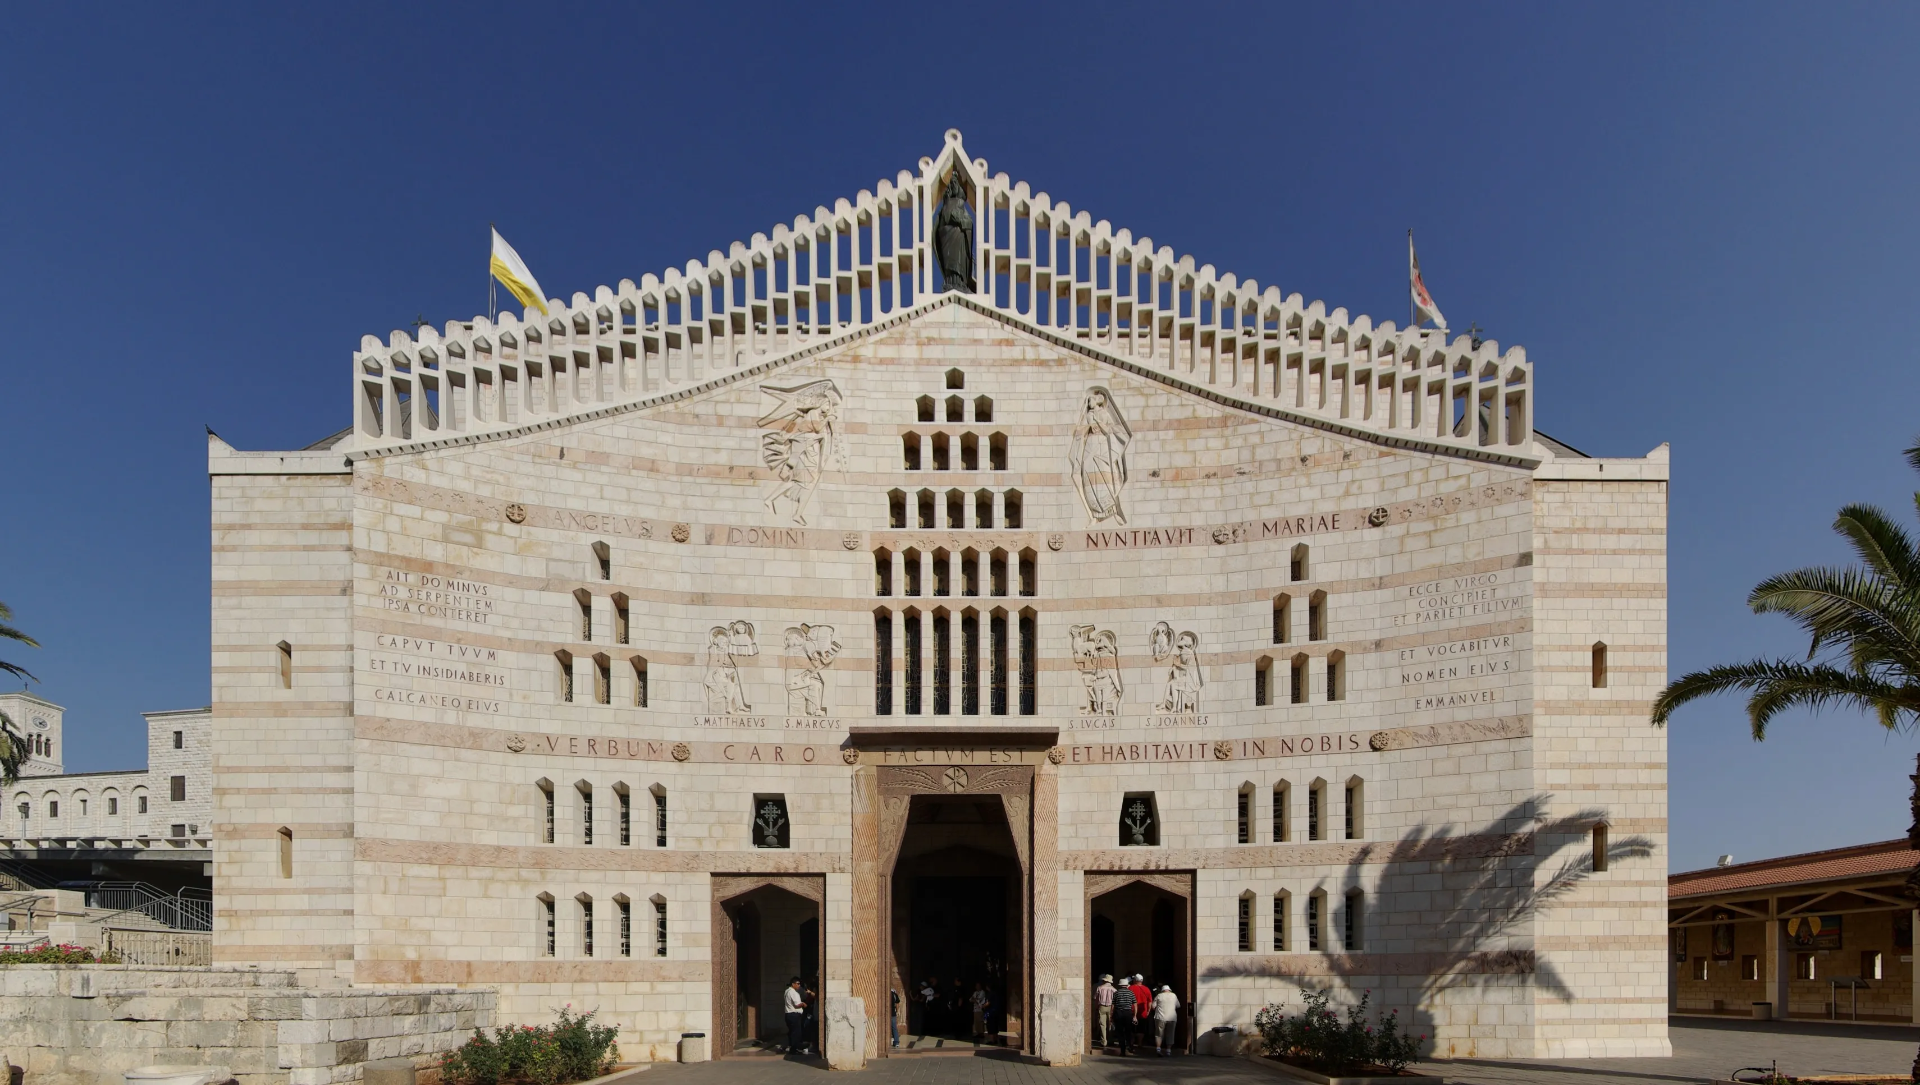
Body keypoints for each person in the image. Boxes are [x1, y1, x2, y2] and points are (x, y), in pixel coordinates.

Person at [1110, 974, 1137, 1055]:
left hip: (1118, 1013)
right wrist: (1135, 1015)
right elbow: (1135, 1005)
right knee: (1128, 1031)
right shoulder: (1131, 993)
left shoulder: (1116, 993)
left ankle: (1122, 1050)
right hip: (1128, 1013)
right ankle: (1129, 1046)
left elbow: (1113, 1005)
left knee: (1120, 1032)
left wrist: (1111, 1016)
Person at [1151, 985, 1181, 1056]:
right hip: (1172, 1018)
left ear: (1162, 990)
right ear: (1169, 990)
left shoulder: (1159, 995)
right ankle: (1168, 1050)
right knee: (1170, 1034)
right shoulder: (1174, 995)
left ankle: (1158, 1049)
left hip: (1160, 1017)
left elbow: (1153, 1006)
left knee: (1159, 1034)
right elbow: (1178, 1006)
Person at [782, 976, 807, 1055]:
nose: (799, 985)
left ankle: (792, 1047)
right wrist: (803, 1004)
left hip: (788, 1014)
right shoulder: (793, 992)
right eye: (798, 984)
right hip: (794, 1014)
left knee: (792, 1032)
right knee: (796, 1032)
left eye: (800, 984)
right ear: (793, 984)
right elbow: (797, 1004)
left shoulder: (786, 991)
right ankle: (794, 1048)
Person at [1127, 974, 1152, 1047]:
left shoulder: (1130, 988)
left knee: (1131, 1028)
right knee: (1141, 1028)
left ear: (1135, 980)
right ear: (1142, 981)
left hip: (1131, 1010)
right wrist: (1148, 1011)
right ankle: (1140, 1043)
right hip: (1143, 1012)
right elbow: (1150, 1001)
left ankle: (1131, 1042)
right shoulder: (1146, 989)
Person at [1093, 974, 1116, 1050]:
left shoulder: (1099, 988)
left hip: (1102, 1006)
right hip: (1110, 1007)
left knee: (1102, 1024)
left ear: (1104, 980)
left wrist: (1096, 1007)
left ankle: (1104, 1041)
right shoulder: (1114, 990)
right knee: (1110, 1023)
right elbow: (1115, 1001)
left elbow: (1096, 999)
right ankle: (1111, 1039)